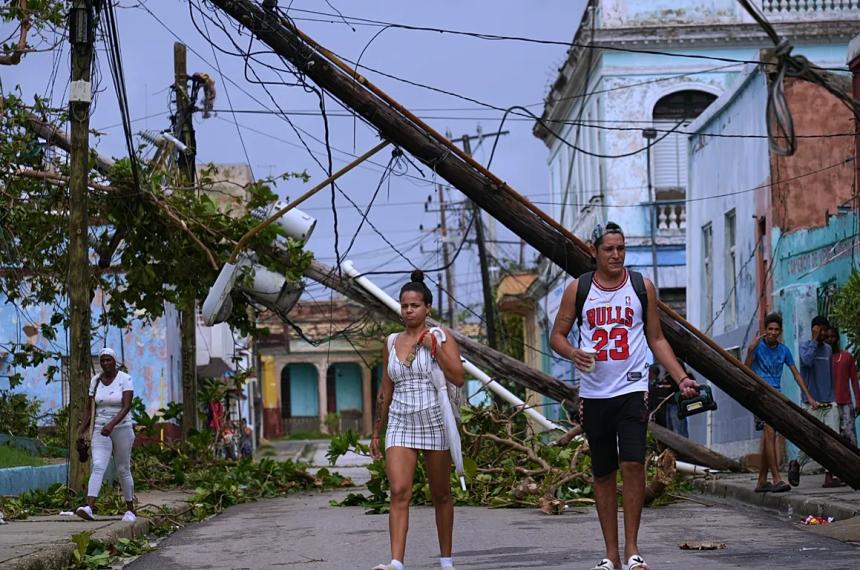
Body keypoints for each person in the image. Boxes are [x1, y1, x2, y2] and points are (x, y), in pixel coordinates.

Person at [550, 222, 698, 570]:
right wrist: (573, 353)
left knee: (633, 464)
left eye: (621, 248)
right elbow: (557, 335)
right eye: (609, 249)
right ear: (594, 251)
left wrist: (681, 378)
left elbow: (657, 339)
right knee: (603, 472)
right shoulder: (579, 289)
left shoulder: (640, 287)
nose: (616, 255)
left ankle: (632, 551)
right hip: (594, 394)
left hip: (632, 390)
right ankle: (610, 554)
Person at [370, 270, 465, 570]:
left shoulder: (440, 336)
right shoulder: (391, 342)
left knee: (441, 493)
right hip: (400, 420)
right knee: (399, 490)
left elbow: (459, 378)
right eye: (404, 305)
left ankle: (446, 560)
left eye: (415, 305)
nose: (409, 310)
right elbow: (386, 390)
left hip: (435, 419)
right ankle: (396, 562)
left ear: (427, 309)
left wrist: (433, 348)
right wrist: (376, 432)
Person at [744, 312, 818, 493]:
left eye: (776, 329)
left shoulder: (784, 350)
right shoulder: (758, 347)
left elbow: (796, 374)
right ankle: (776, 478)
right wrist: (750, 350)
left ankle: (762, 480)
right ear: (765, 331)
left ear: (780, 332)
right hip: (759, 393)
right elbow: (745, 370)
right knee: (770, 434)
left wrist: (808, 396)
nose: (773, 332)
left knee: (767, 439)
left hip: (775, 394)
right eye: (770, 329)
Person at [75, 348, 136, 522]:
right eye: (102, 360)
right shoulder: (95, 381)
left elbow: (126, 406)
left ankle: (130, 509)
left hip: (122, 428)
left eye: (108, 360)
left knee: (123, 468)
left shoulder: (125, 379)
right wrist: (82, 429)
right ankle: (89, 506)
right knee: (98, 465)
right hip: (100, 429)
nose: (105, 363)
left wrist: (112, 424)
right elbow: (90, 407)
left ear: (114, 361)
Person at [794, 315, 843, 488]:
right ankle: (797, 465)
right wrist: (814, 341)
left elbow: (829, 374)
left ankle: (829, 476)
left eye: (825, 330)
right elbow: (806, 362)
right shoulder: (804, 347)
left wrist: (834, 397)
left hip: (829, 401)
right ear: (814, 330)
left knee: (832, 439)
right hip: (811, 402)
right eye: (820, 330)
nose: (823, 334)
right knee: (809, 438)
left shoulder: (828, 350)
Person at [826, 326, 858, 447]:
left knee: (850, 436)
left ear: (837, 338)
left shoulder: (847, 357)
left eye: (832, 337)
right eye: (827, 337)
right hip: (829, 405)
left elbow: (854, 380)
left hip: (846, 403)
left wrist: (858, 401)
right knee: (835, 437)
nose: (830, 339)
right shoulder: (823, 359)